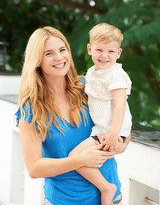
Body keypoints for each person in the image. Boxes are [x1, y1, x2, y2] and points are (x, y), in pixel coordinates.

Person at [15, 26, 130, 205]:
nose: (59, 57)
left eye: (62, 50)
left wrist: (120, 145)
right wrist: (80, 160)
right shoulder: (31, 110)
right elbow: (34, 168)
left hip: (111, 199)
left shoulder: (88, 87)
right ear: (37, 60)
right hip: (64, 201)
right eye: (49, 53)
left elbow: (123, 120)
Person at [69, 23, 132, 205]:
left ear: (118, 53)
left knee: (75, 158)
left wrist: (113, 133)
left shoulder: (116, 75)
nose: (105, 56)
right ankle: (106, 188)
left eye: (111, 52)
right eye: (99, 50)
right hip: (102, 129)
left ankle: (106, 187)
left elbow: (120, 104)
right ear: (89, 49)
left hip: (110, 131)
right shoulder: (92, 73)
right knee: (80, 158)